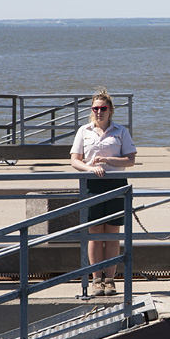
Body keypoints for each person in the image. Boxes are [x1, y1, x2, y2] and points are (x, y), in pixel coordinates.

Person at [70, 88, 137, 296]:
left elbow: (131, 159)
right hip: (92, 184)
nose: (99, 112)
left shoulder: (120, 131)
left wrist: (108, 160)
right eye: (95, 108)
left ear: (110, 110)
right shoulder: (84, 131)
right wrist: (90, 168)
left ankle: (110, 279)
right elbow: (74, 160)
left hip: (116, 183)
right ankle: (96, 279)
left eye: (103, 108)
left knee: (113, 233)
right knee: (95, 234)